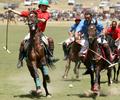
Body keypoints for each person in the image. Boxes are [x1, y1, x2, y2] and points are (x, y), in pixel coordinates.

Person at [8, 0, 52, 82]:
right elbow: (21, 13)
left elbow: (43, 20)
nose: (46, 7)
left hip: (40, 33)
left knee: (48, 41)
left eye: (46, 6)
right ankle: (20, 60)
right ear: (41, 6)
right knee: (23, 42)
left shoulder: (46, 13)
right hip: (31, 33)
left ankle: (49, 57)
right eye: (44, 6)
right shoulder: (33, 12)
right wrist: (12, 10)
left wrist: (35, 18)